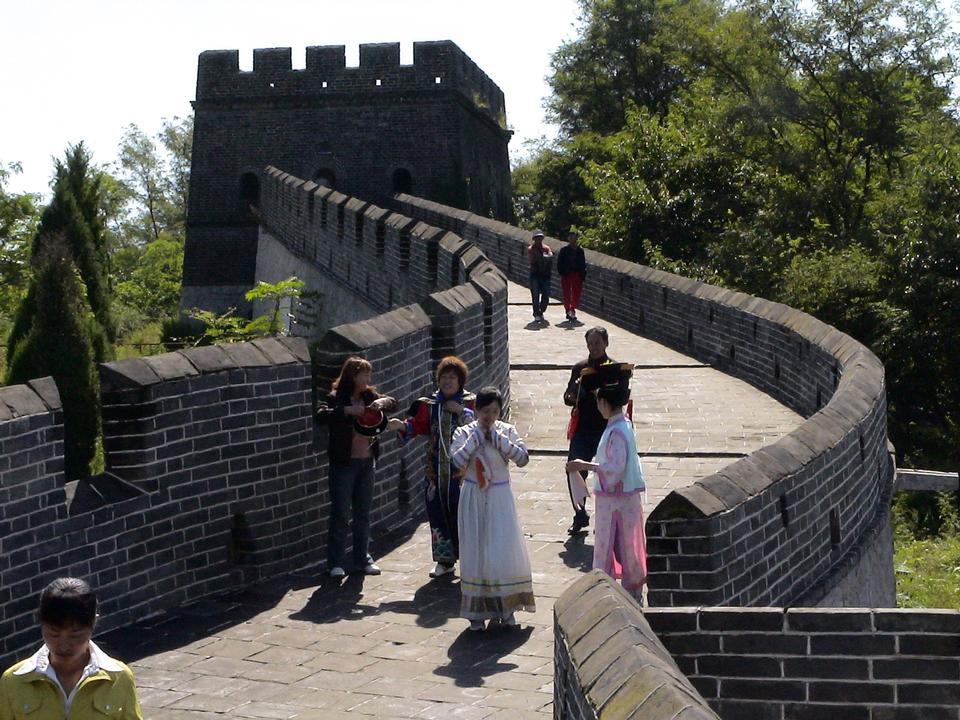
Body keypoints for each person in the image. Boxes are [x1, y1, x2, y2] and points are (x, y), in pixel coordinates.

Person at [450, 387, 536, 631]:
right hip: (473, 495)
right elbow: (456, 460)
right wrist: (476, 439)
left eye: (495, 411)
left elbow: (522, 458)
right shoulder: (464, 432)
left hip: (499, 496)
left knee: (501, 549)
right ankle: (476, 613)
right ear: (476, 409)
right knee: (475, 549)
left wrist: (498, 440)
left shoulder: (506, 431)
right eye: (485, 411)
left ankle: (505, 608)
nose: (490, 416)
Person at [0, 577, 143, 719]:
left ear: (94, 622)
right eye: (54, 633)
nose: (64, 644)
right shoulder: (14, 681)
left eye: (75, 634)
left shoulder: (119, 678)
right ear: (41, 623)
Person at [387, 356, 475, 579]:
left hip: (463, 471)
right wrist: (401, 426)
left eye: (452, 378)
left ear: (460, 380)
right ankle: (445, 561)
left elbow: (480, 426)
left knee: (464, 513)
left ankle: (471, 561)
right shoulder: (429, 404)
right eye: (444, 378)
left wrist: (460, 411)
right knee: (436, 512)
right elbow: (417, 426)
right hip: (434, 470)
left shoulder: (470, 401)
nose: (447, 382)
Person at [566, 364, 647, 601]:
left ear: (604, 403)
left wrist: (583, 465)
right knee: (625, 544)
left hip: (616, 500)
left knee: (614, 544)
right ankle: (626, 589)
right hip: (621, 498)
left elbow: (615, 469)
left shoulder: (617, 430)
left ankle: (614, 590)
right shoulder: (623, 424)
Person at [316, 356, 397, 578]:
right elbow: (321, 415)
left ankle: (363, 559)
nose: (368, 379)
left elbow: (393, 402)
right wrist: (347, 412)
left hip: (366, 461)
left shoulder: (369, 396)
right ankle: (335, 563)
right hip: (344, 463)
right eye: (365, 375)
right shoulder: (335, 398)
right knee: (341, 513)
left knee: (363, 513)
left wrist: (381, 403)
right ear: (353, 376)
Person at [563, 326, 616, 535]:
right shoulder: (580, 368)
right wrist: (575, 392)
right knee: (574, 470)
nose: (594, 347)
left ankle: (608, 516)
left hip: (606, 429)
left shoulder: (614, 368)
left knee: (609, 474)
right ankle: (580, 513)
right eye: (591, 343)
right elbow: (567, 397)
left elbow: (619, 398)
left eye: (598, 343)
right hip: (583, 428)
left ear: (606, 343)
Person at [557, 228, 587, 322]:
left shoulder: (580, 251)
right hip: (566, 274)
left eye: (574, 237)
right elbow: (559, 263)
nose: (573, 239)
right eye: (571, 237)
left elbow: (583, 263)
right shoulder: (564, 250)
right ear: (568, 238)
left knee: (576, 293)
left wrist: (582, 275)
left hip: (577, 275)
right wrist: (562, 272)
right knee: (567, 293)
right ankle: (568, 310)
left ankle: (572, 308)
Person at [527, 229, 553, 321]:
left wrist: (547, 257)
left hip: (545, 275)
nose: (539, 240)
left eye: (540, 238)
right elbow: (532, 261)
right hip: (535, 274)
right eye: (537, 238)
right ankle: (536, 313)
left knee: (546, 294)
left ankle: (541, 310)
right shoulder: (531, 249)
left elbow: (550, 256)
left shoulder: (546, 248)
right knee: (535, 294)